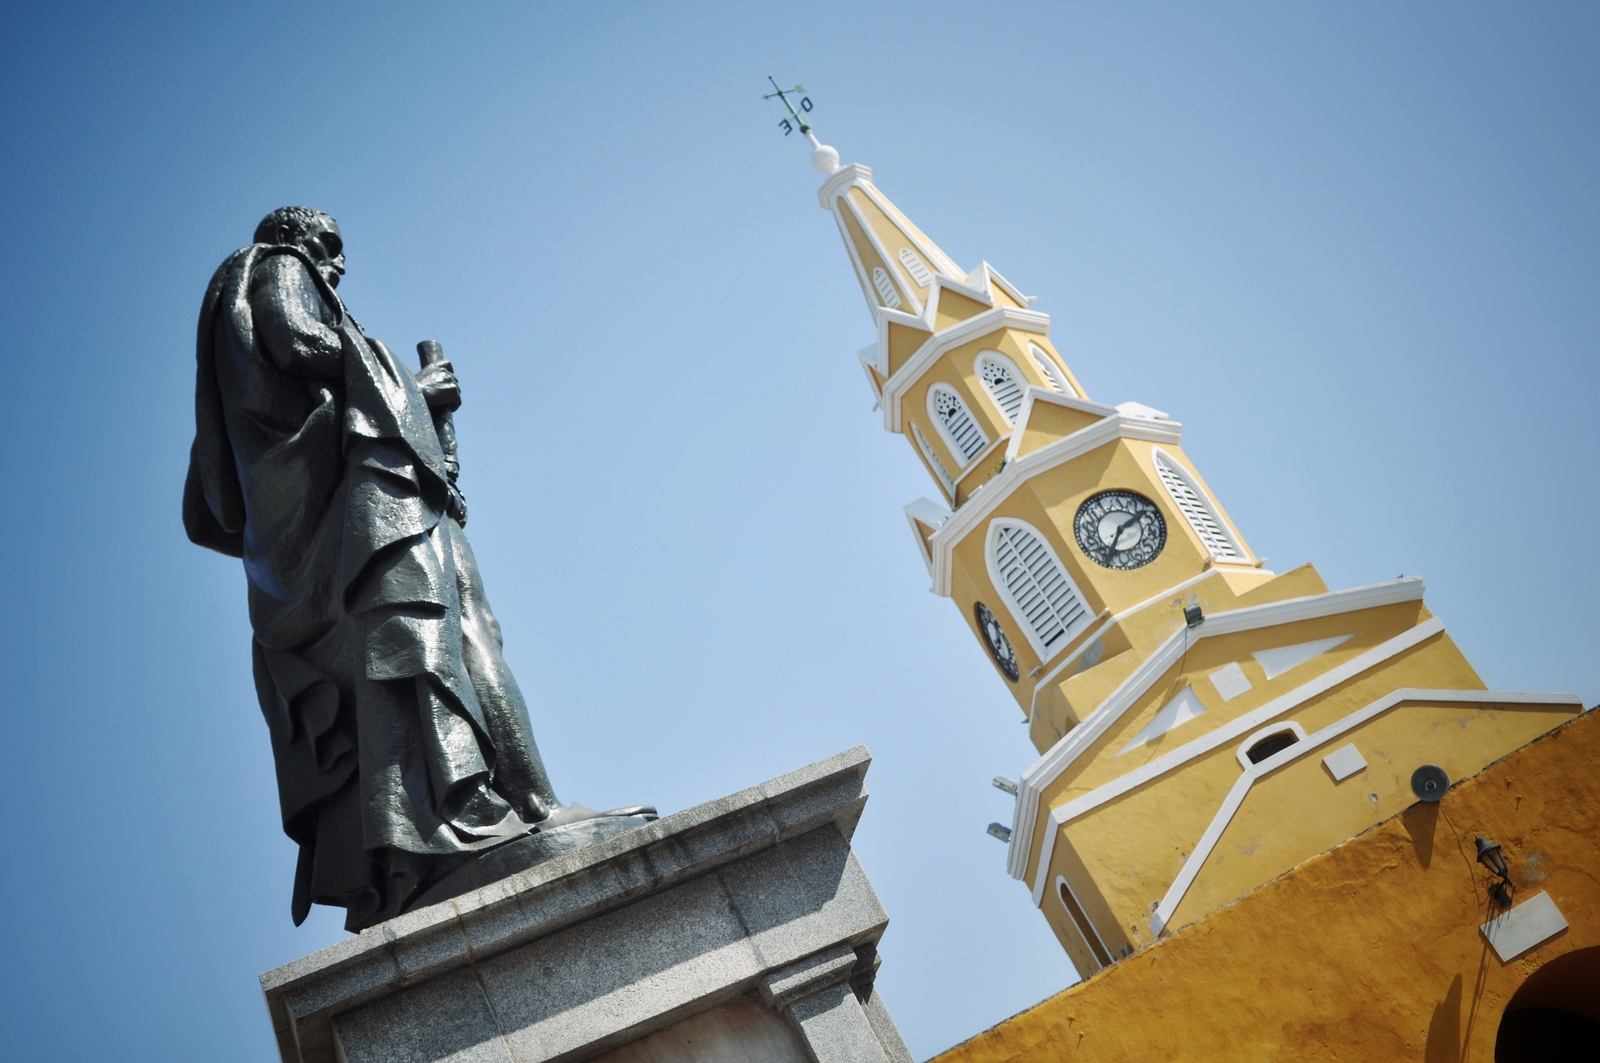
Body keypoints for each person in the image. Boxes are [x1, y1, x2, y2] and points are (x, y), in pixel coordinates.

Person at [185, 206, 577, 930]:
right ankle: (524, 810)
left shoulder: (229, 357)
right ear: (294, 238)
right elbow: (305, 342)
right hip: (374, 515)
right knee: (459, 634)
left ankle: (469, 821)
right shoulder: (274, 267)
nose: (334, 267)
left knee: (450, 641)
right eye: (328, 249)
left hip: (335, 538)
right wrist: (413, 394)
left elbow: (211, 508)